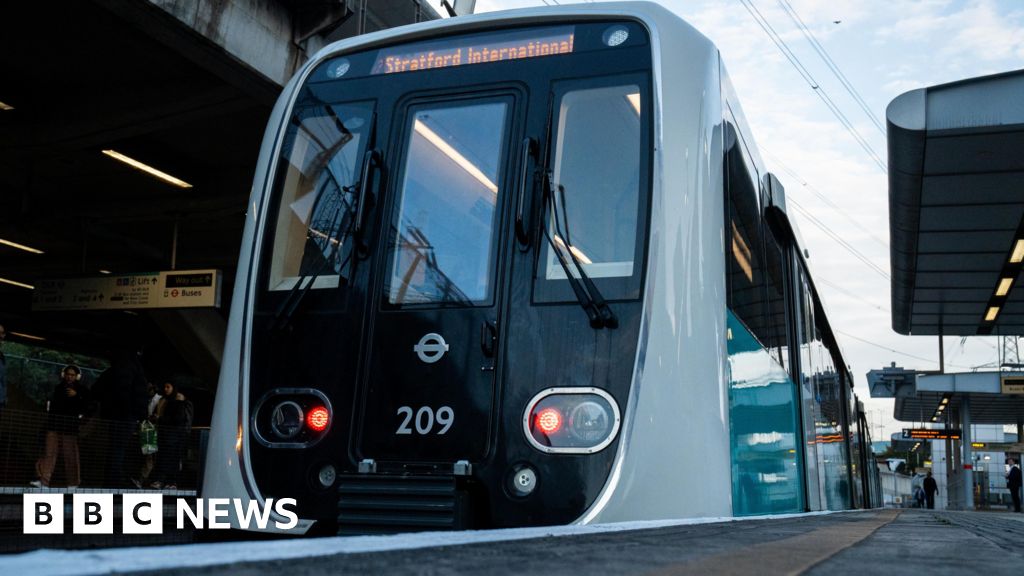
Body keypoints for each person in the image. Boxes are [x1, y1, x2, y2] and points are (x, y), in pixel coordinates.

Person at [91, 345, 149, 488]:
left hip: (113, 415)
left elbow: (96, 390)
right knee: (119, 447)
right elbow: (139, 394)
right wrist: (141, 415)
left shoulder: (112, 371)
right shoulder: (135, 370)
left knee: (114, 447)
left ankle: (110, 479)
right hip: (127, 415)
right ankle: (114, 479)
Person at [32, 365, 88, 488]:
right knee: (49, 453)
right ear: (64, 375)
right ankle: (43, 481)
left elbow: (86, 407)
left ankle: (73, 483)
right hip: (54, 425)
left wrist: (77, 396)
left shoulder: (82, 391)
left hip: (70, 428)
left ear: (77, 376)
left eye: (72, 375)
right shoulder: (58, 388)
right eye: (68, 374)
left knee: (71, 455)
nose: (69, 377)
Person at [149, 381, 192, 490]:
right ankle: (168, 482)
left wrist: (160, 418)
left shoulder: (177, 402)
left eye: (168, 387)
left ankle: (167, 481)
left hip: (172, 436)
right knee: (167, 459)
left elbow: (177, 419)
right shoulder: (167, 400)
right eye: (165, 386)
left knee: (167, 459)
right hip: (169, 436)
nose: (166, 389)